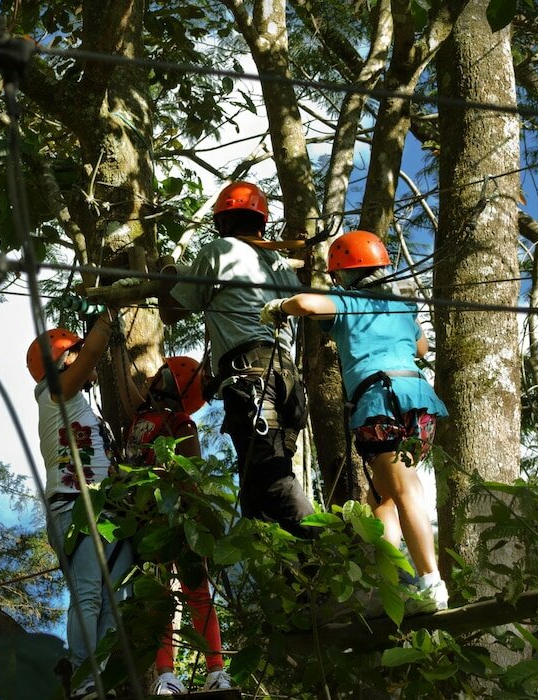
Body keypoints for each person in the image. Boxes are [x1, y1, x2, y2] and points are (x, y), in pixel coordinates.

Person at [259, 229, 449, 611]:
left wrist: (279, 307)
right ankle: (397, 583)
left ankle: (431, 582)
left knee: (404, 487)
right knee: (381, 501)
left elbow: (308, 306)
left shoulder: (347, 300)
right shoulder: (401, 306)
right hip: (418, 402)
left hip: (380, 401)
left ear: (343, 273)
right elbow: (421, 345)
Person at [158, 181, 316, 539]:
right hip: (287, 384)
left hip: (253, 379)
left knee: (273, 485)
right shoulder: (279, 263)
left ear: (222, 222)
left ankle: (339, 552)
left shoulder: (220, 250)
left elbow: (170, 313)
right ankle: (303, 583)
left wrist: (168, 274)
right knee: (256, 499)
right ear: (261, 222)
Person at [27, 313, 133, 700]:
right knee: (89, 591)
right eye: (71, 352)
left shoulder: (80, 406)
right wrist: (104, 324)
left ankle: (97, 679)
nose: (81, 360)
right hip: (74, 504)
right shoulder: (51, 391)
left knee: (115, 598)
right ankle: (84, 679)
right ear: (60, 360)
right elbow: (89, 357)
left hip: (106, 509)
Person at [113, 354, 231, 695]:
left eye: (159, 377)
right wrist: (114, 337)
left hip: (176, 515)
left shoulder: (180, 421)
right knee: (158, 595)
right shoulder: (140, 417)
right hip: (146, 517)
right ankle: (166, 673)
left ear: (168, 384)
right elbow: (124, 390)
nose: (151, 382)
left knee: (195, 591)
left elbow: (189, 470)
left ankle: (216, 669)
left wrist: (140, 476)